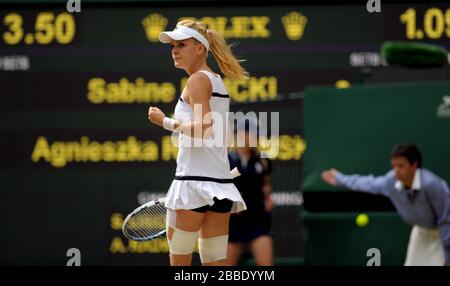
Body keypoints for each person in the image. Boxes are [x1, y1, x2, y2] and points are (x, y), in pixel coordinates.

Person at [147, 20, 248, 266]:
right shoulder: (216, 80)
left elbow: (204, 127)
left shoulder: (197, 80)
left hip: (193, 185)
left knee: (179, 263)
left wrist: (165, 122)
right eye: (172, 45)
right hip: (220, 187)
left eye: (182, 44)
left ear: (200, 48)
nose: (175, 50)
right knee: (215, 264)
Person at [321, 144, 450, 266]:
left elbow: (446, 221)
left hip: (443, 234)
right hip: (421, 232)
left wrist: (448, 256)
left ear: (414, 165)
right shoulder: (391, 181)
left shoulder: (432, 185)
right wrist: (340, 179)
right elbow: (368, 183)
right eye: (394, 166)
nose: (396, 171)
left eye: (401, 166)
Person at [227, 119, 274, 266]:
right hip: (233, 224)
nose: (257, 138)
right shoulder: (226, 160)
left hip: (257, 221)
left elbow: (265, 185)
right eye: (253, 134)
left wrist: (267, 198)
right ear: (242, 135)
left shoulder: (262, 160)